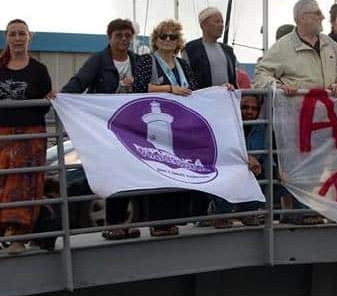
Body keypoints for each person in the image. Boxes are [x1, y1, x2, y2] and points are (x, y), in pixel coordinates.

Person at [62, 18, 142, 240]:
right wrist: (61, 97)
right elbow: (79, 82)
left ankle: (119, 223)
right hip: (107, 129)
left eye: (128, 35)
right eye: (119, 35)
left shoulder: (138, 61)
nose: (124, 39)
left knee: (129, 175)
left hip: (132, 129)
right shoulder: (98, 60)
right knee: (113, 174)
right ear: (110, 37)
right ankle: (113, 223)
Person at [132, 19, 198, 237]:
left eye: (173, 36)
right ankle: (157, 222)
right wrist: (170, 89)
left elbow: (195, 92)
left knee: (178, 169)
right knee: (158, 170)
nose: (168, 40)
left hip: (180, 126)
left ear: (179, 41)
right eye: (163, 36)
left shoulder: (184, 65)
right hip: (153, 127)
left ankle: (174, 220)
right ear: (156, 40)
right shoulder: (146, 61)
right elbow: (140, 87)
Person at [0, 19, 54, 254]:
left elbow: (45, 104)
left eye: (22, 33)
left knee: (23, 185)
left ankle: (19, 236)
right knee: (4, 184)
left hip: (31, 136)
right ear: (7, 38)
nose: (17, 38)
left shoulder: (38, 70)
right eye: (13, 34)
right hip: (2, 136)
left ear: (29, 37)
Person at [254, 0, 337, 96]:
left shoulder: (329, 43)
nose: (323, 17)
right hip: (297, 110)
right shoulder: (282, 47)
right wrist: (280, 87)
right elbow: (261, 74)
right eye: (318, 13)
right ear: (302, 18)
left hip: (329, 109)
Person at [210, 94, 266, 228]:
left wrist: (273, 170)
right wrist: (244, 158)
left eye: (254, 108)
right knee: (227, 175)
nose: (250, 112)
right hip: (227, 169)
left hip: (252, 172)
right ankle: (218, 212)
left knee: (271, 177)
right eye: (244, 107)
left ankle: (247, 212)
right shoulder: (224, 125)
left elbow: (265, 155)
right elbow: (221, 152)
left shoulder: (261, 127)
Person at [184, 7, 238, 90]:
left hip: (226, 99)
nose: (221, 25)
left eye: (222, 22)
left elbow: (233, 80)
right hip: (201, 99)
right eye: (217, 22)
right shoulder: (190, 49)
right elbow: (186, 78)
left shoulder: (228, 50)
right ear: (203, 25)